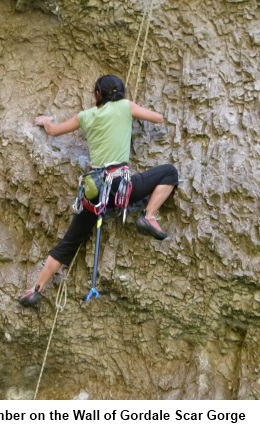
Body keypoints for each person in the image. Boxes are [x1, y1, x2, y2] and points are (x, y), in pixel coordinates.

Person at [19, 74, 178, 307]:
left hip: (94, 193)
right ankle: (149, 216)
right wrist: (130, 112)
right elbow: (158, 118)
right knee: (169, 173)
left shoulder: (85, 116)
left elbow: (53, 131)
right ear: (120, 93)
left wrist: (46, 120)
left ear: (97, 94)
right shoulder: (125, 106)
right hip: (121, 188)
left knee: (69, 243)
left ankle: (35, 289)